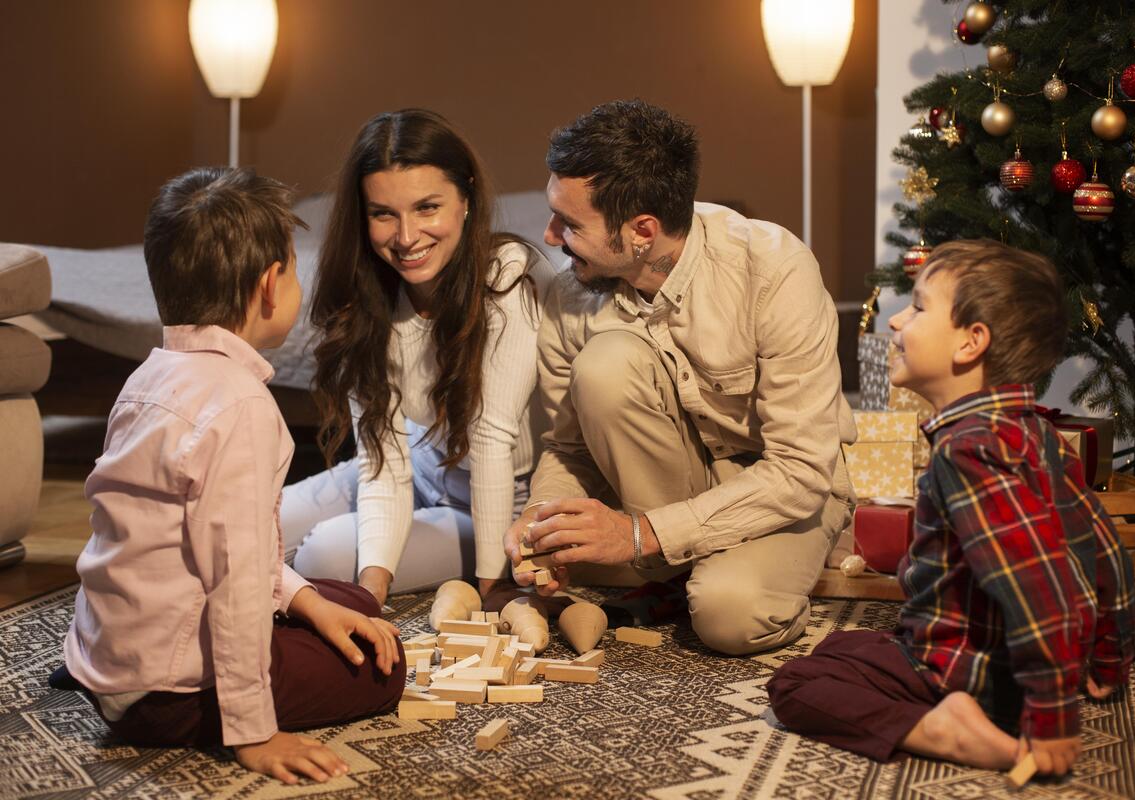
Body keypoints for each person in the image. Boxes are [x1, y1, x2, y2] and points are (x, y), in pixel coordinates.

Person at [59, 167, 405, 785]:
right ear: (271, 285)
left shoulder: (150, 377)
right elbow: (238, 577)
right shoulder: (242, 409)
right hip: (163, 694)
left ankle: (124, 680)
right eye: (295, 269)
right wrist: (255, 731)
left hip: (107, 653)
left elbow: (202, 539)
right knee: (386, 665)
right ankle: (181, 707)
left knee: (344, 601)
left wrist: (306, 603)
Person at [767, 240, 1135, 777]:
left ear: (971, 343)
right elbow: (1102, 549)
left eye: (918, 307)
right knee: (847, 644)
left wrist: (1052, 713)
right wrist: (1107, 658)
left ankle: (944, 731)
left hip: (976, 675)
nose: (897, 322)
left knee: (796, 683)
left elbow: (1040, 586)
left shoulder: (969, 450)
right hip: (1017, 662)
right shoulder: (1037, 430)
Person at [502, 99, 856, 655]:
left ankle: (736, 569)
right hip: (666, 495)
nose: (549, 236)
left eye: (569, 223)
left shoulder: (773, 269)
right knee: (605, 364)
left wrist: (638, 536)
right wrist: (542, 526)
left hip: (783, 490)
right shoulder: (571, 294)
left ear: (642, 230)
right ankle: (677, 572)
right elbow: (568, 449)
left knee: (730, 617)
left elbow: (800, 470)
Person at [282, 109, 555, 604]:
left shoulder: (510, 275)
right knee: (261, 524)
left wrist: (492, 586)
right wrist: (372, 591)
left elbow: (491, 438)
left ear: (466, 198)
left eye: (427, 207)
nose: (406, 237)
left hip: (492, 501)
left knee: (320, 557)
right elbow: (383, 463)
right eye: (383, 213)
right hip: (416, 464)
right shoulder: (369, 295)